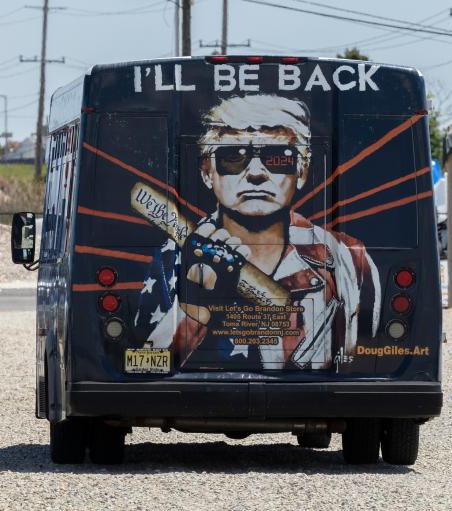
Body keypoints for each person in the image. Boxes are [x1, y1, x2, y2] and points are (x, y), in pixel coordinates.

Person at [135, 94, 381, 371]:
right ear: (207, 172)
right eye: (232, 157)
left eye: (277, 158)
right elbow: (144, 368)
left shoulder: (347, 257)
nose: (255, 173)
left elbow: (368, 360)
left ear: (301, 171)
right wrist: (194, 307)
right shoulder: (175, 257)